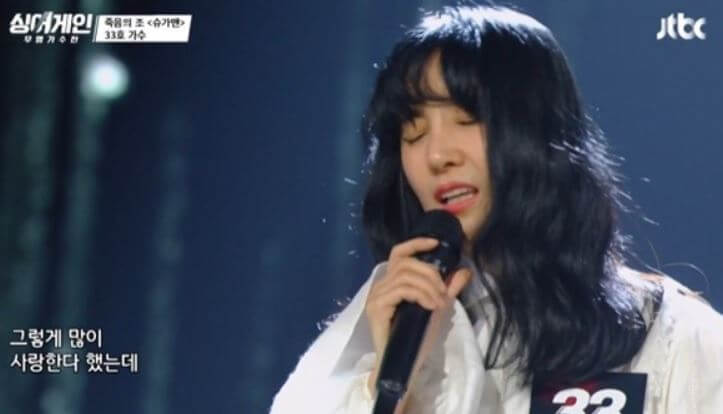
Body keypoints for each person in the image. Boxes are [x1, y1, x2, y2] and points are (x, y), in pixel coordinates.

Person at [270, 5, 723, 413]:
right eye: (413, 133)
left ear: (539, 134)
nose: (437, 155)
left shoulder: (666, 334)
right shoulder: (375, 341)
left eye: (466, 119)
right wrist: (388, 389)